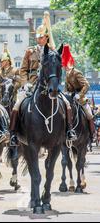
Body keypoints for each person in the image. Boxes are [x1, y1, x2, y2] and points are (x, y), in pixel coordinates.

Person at [8, 11, 77, 146]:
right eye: (37, 37)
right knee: (17, 105)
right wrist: (25, 82)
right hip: (32, 84)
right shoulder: (30, 51)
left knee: (67, 104)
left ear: (46, 37)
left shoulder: (53, 52)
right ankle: (13, 134)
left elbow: (58, 69)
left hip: (49, 84)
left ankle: (69, 130)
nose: (38, 39)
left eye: (41, 37)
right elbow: (23, 70)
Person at [62, 44, 96, 141]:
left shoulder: (76, 72)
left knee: (89, 113)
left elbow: (86, 84)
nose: (66, 67)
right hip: (70, 97)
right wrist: (65, 95)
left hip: (79, 96)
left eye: (67, 64)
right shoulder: (67, 75)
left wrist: (80, 95)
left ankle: (92, 133)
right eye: (65, 64)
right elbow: (66, 89)